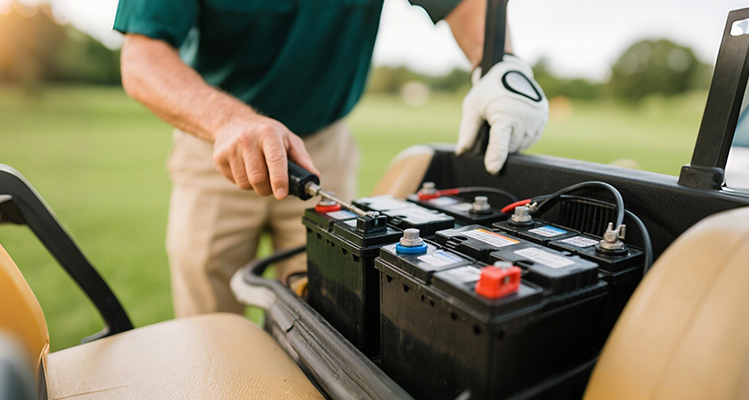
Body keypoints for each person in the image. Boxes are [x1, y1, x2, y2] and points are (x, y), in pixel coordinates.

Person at [114, 0, 549, 317]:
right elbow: (141, 56)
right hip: (217, 141)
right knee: (208, 326)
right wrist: (228, 121)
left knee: (326, 317)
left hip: (323, 148)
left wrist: (502, 65)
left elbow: (464, 5)